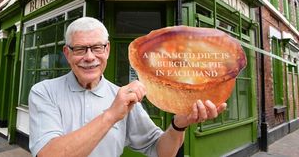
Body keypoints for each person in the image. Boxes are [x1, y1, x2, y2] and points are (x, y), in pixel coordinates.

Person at [28, 17, 227, 157]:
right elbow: (48, 153)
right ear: (67, 53)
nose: (89, 57)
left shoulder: (120, 96)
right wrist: (111, 115)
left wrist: (179, 124)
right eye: (80, 49)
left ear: (107, 50)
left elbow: (160, 151)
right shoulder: (44, 92)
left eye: (97, 47)